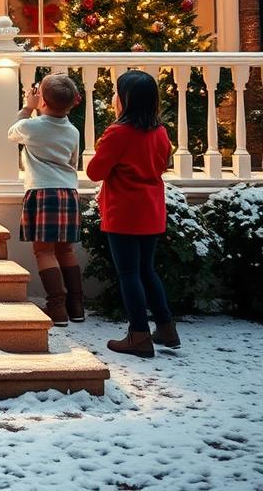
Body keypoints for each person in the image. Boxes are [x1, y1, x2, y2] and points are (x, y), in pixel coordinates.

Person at [86, 70, 179, 358]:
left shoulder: (118, 132)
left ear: (124, 99)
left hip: (125, 212)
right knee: (147, 270)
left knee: (129, 273)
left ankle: (138, 335)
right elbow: (161, 164)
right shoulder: (160, 131)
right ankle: (166, 328)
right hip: (151, 209)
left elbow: (94, 172)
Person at [7, 75, 84, 326]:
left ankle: (57, 307)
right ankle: (77, 305)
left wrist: (28, 107)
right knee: (66, 249)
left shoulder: (32, 126)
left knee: (44, 251)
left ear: (42, 101)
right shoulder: (73, 130)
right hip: (68, 191)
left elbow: (12, 132)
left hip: (42, 191)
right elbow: (73, 161)